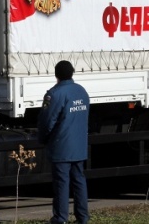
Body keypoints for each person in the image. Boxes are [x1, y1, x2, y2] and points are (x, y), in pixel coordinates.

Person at [37, 60, 90, 224]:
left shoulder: (54, 94)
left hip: (62, 146)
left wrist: (42, 138)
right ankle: (83, 217)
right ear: (72, 72)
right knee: (79, 181)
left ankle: (60, 218)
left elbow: (47, 120)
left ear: (56, 74)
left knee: (61, 183)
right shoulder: (82, 92)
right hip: (79, 145)